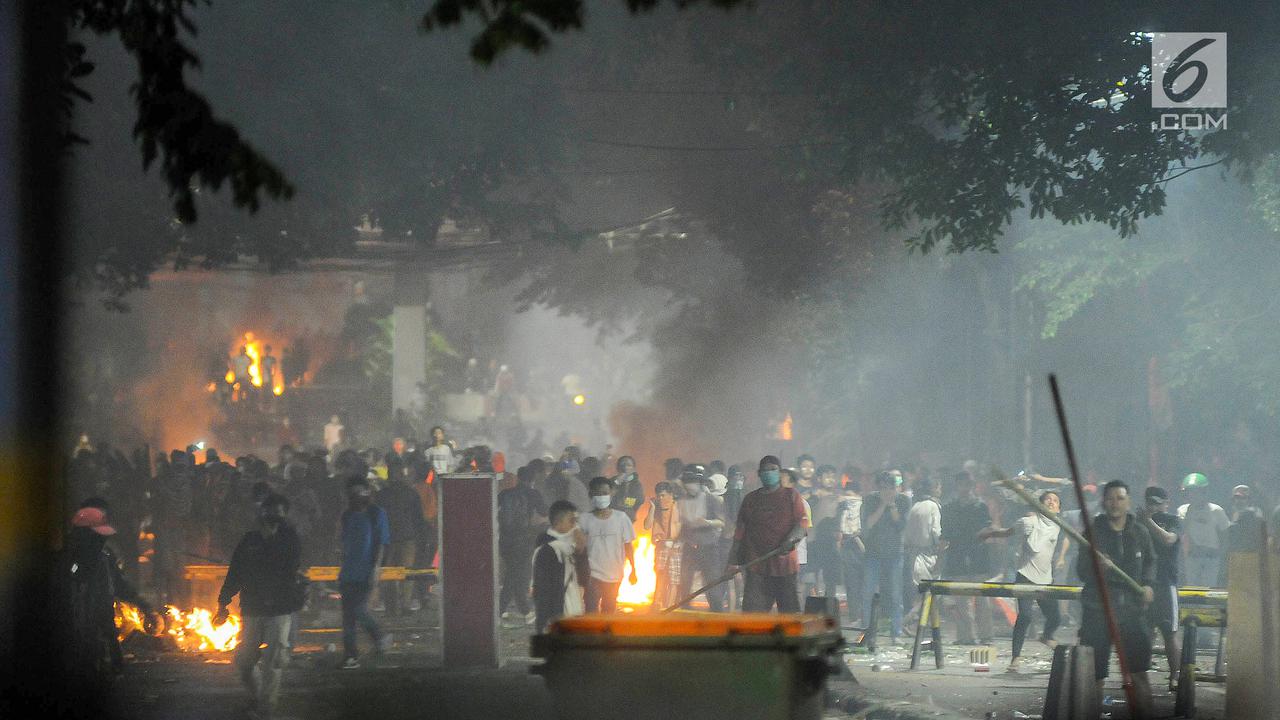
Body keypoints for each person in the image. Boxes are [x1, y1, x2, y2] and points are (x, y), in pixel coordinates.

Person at [214, 495, 302, 720]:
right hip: (253, 609)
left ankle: (265, 710)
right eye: (270, 511)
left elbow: (289, 570)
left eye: (279, 513)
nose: (273, 517)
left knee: (273, 661)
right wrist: (223, 602)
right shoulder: (249, 540)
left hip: (279, 609)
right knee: (245, 661)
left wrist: (271, 540)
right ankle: (258, 696)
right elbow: (235, 572)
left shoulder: (290, 540)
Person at [1078, 480, 1156, 715]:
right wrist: (1098, 568)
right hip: (1098, 611)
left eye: (1120, 498)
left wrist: (1148, 585)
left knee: (1139, 674)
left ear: (1128, 502)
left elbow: (1150, 562)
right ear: (1104, 502)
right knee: (1094, 676)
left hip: (1132, 612)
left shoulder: (1139, 532)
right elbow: (1081, 571)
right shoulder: (1092, 533)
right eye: (1110, 499)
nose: (1115, 503)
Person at [62, 502, 153, 682]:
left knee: (107, 637)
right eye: (97, 535)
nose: (101, 540)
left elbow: (119, 584)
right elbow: (71, 579)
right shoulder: (70, 560)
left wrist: (143, 605)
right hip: (80, 619)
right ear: (85, 534)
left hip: (102, 610)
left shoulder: (105, 556)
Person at [983, 490, 1066, 673]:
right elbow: (1008, 532)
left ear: (1059, 509)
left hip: (1045, 579)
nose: (1051, 502)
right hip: (1026, 576)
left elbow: (1069, 537)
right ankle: (1015, 658)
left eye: (1055, 501)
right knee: (1025, 616)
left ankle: (1046, 636)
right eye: (1048, 500)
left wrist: (1062, 556)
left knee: (1055, 617)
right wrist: (991, 533)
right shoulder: (1028, 522)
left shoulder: (1059, 525)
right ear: (1039, 505)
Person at [727, 456, 808, 612]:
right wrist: (733, 561)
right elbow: (740, 532)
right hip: (756, 567)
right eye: (765, 470)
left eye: (773, 469)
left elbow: (802, 524)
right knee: (753, 616)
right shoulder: (750, 499)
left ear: (779, 472)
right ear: (759, 473)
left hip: (785, 567)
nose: (769, 473)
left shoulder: (791, 496)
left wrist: (791, 540)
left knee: (788, 615)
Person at [337, 479, 390, 669]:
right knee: (348, 617)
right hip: (348, 572)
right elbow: (344, 543)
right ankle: (350, 656)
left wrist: (376, 569)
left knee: (358, 610)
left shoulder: (376, 514)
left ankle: (379, 636)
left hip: (366, 571)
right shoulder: (347, 515)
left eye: (360, 492)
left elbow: (381, 543)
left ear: (368, 492)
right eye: (353, 493)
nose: (356, 497)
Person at [942, 471, 995, 644]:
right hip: (957, 558)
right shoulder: (949, 508)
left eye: (968, 484)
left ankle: (986, 635)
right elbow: (945, 534)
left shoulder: (981, 507)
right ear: (957, 486)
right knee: (961, 601)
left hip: (978, 557)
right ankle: (966, 636)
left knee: (982, 600)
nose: (965, 488)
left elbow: (987, 529)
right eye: (962, 484)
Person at [1139, 485, 1182, 690]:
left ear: (1166, 503)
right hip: (1143, 582)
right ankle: (1139, 675)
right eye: (1150, 502)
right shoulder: (1136, 522)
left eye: (1157, 503)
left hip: (1165, 582)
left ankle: (1175, 675)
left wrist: (1148, 521)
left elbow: (1168, 540)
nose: (1153, 507)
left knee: (1169, 632)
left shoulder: (1173, 520)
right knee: (1143, 632)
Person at [860, 471, 911, 641]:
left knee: (896, 594)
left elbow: (901, 525)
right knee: (868, 593)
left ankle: (896, 632)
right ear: (878, 488)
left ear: (896, 488)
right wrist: (882, 505)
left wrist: (892, 506)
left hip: (895, 553)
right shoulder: (869, 500)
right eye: (883, 488)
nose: (887, 492)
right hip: (873, 553)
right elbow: (868, 524)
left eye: (891, 488)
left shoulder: (903, 501)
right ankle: (867, 631)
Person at [579, 477, 638, 613]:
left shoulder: (621, 518)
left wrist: (633, 569)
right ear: (591, 495)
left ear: (611, 493)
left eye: (605, 493)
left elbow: (628, 546)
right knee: (591, 609)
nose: (601, 497)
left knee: (609, 609)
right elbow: (579, 548)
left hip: (615, 574)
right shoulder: (584, 519)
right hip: (592, 574)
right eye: (597, 493)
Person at [497, 465, 548, 621]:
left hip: (505, 540)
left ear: (518, 477)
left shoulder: (504, 494)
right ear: (533, 479)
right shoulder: (533, 493)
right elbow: (544, 511)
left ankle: (523, 610)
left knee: (516, 573)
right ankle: (502, 610)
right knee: (514, 574)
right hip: (523, 540)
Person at [674, 464, 728, 611]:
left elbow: (722, 522)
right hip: (690, 547)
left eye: (692, 481)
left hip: (708, 548)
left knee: (712, 584)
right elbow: (682, 524)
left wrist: (707, 522)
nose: (689, 485)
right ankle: (685, 612)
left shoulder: (711, 500)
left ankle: (717, 613)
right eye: (687, 481)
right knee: (685, 584)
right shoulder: (681, 501)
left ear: (700, 482)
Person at [374, 468, 425, 616]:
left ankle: (391, 607)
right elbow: (419, 518)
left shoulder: (382, 494)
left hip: (388, 539)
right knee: (407, 573)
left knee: (389, 573)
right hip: (407, 537)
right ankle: (405, 605)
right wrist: (420, 536)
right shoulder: (411, 493)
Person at [532, 501, 588, 632]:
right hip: (555, 612)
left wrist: (580, 551)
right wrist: (547, 619)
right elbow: (543, 588)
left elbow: (584, 576)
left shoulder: (573, 544)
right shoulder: (546, 549)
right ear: (558, 522)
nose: (575, 525)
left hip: (573, 607)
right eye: (572, 521)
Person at [901, 476, 943, 627]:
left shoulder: (915, 506)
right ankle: (908, 620)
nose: (940, 490)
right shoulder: (933, 506)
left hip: (914, 556)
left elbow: (907, 535)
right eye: (939, 487)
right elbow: (936, 532)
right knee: (930, 593)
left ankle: (925, 624)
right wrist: (943, 545)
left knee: (923, 593)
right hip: (928, 556)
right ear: (934, 488)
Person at [1175, 472, 1229, 587]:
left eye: (1195, 492)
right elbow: (1181, 533)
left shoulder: (1216, 510)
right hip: (1192, 557)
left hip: (1212, 557)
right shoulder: (1182, 511)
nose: (1192, 496)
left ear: (1204, 492)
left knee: (1209, 588)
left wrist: (1222, 554)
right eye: (1189, 492)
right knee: (1192, 588)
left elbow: (1225, 534)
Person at [644, 482, 682, 609]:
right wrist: (652, 508)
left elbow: (683, 527)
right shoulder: (656, 507)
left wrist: (676, 542)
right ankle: (656, 603)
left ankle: (669, 606)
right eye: (658, 496)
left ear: (671, 494)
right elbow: (647, 526)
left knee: (673, 578)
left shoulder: (678, 507)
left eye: (663, 495)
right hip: (661, 546)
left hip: (676, 547)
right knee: (660, 575)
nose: (660, 498)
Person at [837, 471, 865, 624]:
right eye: (846, 495)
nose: (849, 499)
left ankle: (864, 615)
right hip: (848, 549)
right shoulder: (841, 509)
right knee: (851, 584)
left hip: (864, 549)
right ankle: (854, 615)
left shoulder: (865, 508)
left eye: (851, 496)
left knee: (863, 584)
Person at [609, 455, 646, 521]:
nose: (625, 467)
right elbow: (607, 496)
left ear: (633, 468)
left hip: (628, 517)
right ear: (618, 467)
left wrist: (625, 505)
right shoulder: (610, 482)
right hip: (612, 516)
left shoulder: (637, 484)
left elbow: (640, 500)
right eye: (622, 465)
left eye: (629, 465)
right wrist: (617, 482)